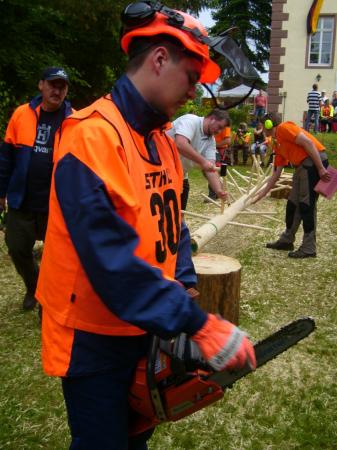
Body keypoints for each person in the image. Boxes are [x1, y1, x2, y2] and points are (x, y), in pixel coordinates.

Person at [35, 4, 256, 450]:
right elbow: (111, 262)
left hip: (147, 327)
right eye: (192, 77)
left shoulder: (163, 143)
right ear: (158, 59)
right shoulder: (89, 137)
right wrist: (198, 324)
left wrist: (187, 287)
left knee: (139, 438)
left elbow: (172, 230)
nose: (195, 93)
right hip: (93, 337)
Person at [0, 67, 73, 311]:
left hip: (57, 203)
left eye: (62, 86)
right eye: (52, 84)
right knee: (17, 248)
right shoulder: (21, 114)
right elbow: (7, 157)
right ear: (41, 85)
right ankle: (34, 286)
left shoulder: (76, 119)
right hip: (22, 199)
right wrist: (1, 192)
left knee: (58, 257)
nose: (57, 90)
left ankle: (48, 297)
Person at [254, 112, 330, 258]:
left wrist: (320, 168)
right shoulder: (277, 142)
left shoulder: (283, 128)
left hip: (313, 162)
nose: (262, 129)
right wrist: (262, 193)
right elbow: (276, 173)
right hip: (302, 166)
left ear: (269, 125)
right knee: (293, 204)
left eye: (263, 126)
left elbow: (308, 143)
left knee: (306, 205)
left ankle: (309, 248)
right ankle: (287, 240)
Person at [167, 109, 228, 206]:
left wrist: (218, 190)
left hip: (181, 176)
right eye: (219, 127)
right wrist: (203, 162)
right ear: (212, 118)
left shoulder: (211, 141)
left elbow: (210, 168)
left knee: (180, 215)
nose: (219, 131)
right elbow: (180, 144)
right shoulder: (190, 121)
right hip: (160, 174)